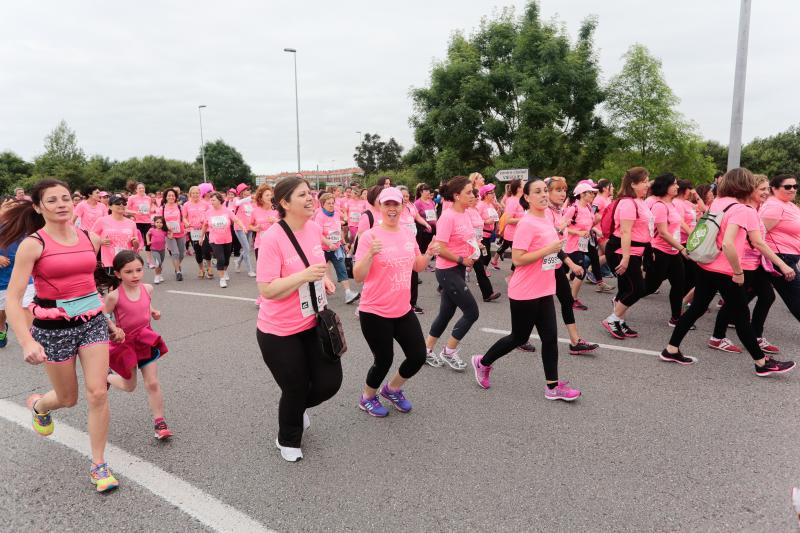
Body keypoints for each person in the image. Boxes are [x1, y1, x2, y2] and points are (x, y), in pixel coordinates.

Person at [0, 178, 119, 492]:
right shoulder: (33, 244)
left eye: (65, 198)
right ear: (39, 207)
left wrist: (112, 318)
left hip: (92, 322)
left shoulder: (87, 236)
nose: (61, 204)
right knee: (68, 398)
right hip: (53, 329)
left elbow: (92, 281)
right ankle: (41, 406)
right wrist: (26, 340)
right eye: (51, 200)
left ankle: (98, 464)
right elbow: (13, 298)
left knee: (98, 393)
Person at [660, 168, 796, 376]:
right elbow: (733, 243)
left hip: (707, 264)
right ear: (746, 185)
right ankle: (761, 363)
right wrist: (739, 271)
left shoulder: (719, 202)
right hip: (725, 269)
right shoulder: (745, 210)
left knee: (697, 308)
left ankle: (671, 349)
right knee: (742, 316)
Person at [256, 176, 342, 462]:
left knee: (330, 382)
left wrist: (325, 279)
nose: (310, 199)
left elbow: (315, 264)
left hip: (312, 322)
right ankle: (287, 439)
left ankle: (295, 408)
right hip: (278, 331)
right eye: (302, 195)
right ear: (284, 203)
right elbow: (267, 289)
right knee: (294, 386)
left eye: (310, 193)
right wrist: (303, 277)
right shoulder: (272, 238)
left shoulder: (314, 227)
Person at [471, 179, 581, 401]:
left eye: (544, 191)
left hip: (544, 287)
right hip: (525, 291)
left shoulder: (547, 217)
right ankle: (482, 362)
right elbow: (519, 259)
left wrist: (568, 263)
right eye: (537, 192)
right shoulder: (527, 223)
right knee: (518, 337)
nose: (543, 195)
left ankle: (552, 387)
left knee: (550, 338)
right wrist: (548, 249)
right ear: (527, 198)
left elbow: (554, 250)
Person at [353, 187, 435, 416]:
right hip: (375, 311)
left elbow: (417, 266)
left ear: (402, 206)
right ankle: (367, 397)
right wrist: (369, 254)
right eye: (387, 204)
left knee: (418, 355)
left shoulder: (408, 234)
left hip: (402, 309)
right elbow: (358, 276)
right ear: (379, 206)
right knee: (384, 359)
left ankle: (392, 389)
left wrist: (429, 253)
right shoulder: (370, 236)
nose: (391, 208)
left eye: (395, 204)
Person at [709, 174, 789, 354]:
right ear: (750, 190)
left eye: (767, 189)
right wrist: (782, 264)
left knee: (766, 296)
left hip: (756, 262)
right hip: (743, 263)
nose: (766, 193)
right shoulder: (744, 209)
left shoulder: (756, 209)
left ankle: (754, 335)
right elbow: (753, 241)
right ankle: (718, 337)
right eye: (762, 189)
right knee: (736, 302)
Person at [104, 251, 172, 440]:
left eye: (139, 270)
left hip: (145, 339)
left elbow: (145, 304)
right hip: (125, 344)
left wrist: (153, 311)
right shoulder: (114, 296)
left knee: (152, 382)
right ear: (118, 274)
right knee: (130, 386)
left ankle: (160, 422)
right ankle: (107, 376)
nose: (135, 275)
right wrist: (114, 330)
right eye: (128, 272)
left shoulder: (148, 288)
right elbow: (103, 316)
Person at [424, 176, 480, 371]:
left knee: (446, 313)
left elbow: (464, 239)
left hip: (458, 269)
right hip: (448, 271)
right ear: (457, 196)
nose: (473, 195)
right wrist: (461, 259)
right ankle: (449, 351)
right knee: (472, 312)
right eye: (469, 192)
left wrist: (474, 249)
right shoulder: (448, 216)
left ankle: (427, 350)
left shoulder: (465, 213)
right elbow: (439, 247)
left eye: (473, 191)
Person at [539, 177, 599, 355]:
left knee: (566, 300)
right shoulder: (546, 213)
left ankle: (575, 341)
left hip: (555, 264)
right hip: (542, 266)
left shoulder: (558, 212)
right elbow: (550, 242)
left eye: (564, 190)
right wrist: (571, 263)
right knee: (535, 307)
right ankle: (520, 337)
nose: (562, 193)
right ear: (547, 193)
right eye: (557, 190)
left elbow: (558, 242)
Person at [601, 167, 653, 340]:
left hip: (635, 251)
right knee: (638, 288)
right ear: (633, 184)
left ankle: (619, 322)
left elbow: (643, 230)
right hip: (621, 251)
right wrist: (625, 257)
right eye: (644, 181)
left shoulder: (639, 201)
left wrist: (647, 250)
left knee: (625, 288)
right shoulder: (627, 203)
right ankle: (613, 319)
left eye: (647, 181)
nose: (648, 184)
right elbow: (625, 232)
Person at [640, 174, 689, 326]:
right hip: (659, 251)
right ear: (665, 186)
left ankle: (676, 317)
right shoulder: (659, 205)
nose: (677, 187)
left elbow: (679, 223)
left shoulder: (672, 204)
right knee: (650, 286)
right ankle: (622, 299)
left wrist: (693, 235)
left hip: (673, 251)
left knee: (679, 284)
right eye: (674, 184)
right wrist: (682, 248)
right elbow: (663, 233)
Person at [760, 173, 800, 322]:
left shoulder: (789, 204)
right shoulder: (773, 206)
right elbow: (759, 235)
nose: (793, 189)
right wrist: (780, 263)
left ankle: (728, 321)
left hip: (788, 256)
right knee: (796, 296)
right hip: (779, 258)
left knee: (757, 294)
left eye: (795, 186)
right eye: (788, 186)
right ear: (774, 189)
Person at [0, 199, 35, 348]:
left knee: (27, 305)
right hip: (2, 274)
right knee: (2, 310)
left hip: (24, 273)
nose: (13, 209)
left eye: (16, 206)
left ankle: (30, 339)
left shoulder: (27, 224)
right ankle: (1, 327)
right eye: (9, 206)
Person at [563, 181, 599, 310]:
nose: (593, 195)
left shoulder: (589, 208)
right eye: (590, 192)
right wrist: (578, 232)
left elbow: (588, 225)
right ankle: (572, 300)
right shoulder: (574, 209)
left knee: (563, 272)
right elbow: (561, 227)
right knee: (580, 271)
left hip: (582, 245)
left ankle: (568, 297)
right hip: (571, 245)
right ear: (582, 194)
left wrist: (594, 231)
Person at [91, 194, 141, 275]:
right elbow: (91, 235)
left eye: (124, 203)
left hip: (127, 261)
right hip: (110, 261)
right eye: (117, 203)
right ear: (110, 207)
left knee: (126, 286)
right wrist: (100, 241)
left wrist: (135, 243)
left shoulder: (131, 223)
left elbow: (136, 245)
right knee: (113, 286)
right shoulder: (102, 221)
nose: (121, 205)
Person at [467, 187, 501, 302]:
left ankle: (488, 294)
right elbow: (467, 229)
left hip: (478, 242)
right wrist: (476, 242)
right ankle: (444, 287)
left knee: (480, 268)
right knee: (458, 268)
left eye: (477, 196)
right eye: (474, 196)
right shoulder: (465, 211)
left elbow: (479, 224)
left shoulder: (476, 210)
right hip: (468, 244)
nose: (477, 198)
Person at [201, 192, 240, 288]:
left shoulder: (226, 211)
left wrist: (243, 227)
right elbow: (205, 225)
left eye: (213, 200)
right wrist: (201, 237)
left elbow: (236, 219)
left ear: (219, 200)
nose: (211, 202)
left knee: (226, 259)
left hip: (227, 239)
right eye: (211, 200)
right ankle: (222, 279)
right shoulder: (208, 212)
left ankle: (225, 271)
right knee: (221, 259)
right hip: (214, 239)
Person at [490, 179, 524, 270]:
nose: (526, 185)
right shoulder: (513, 201)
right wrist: (525, 219)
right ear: (518, 188)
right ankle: (513, 279)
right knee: (518, 260)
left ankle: (495, 260)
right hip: (513, 235)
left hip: (519, 234)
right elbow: (508, 220)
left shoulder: (522, 200)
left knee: (507, 248)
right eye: (524, 184)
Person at [183, 185, 212, 278]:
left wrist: (205, 221)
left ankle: (209, 267)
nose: (195, 195)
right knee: (198, 251)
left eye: (197, 193)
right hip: (193, 231)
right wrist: (186, 223)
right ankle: (201, 269)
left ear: (200, 194)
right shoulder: (186, 205)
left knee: (206, 249)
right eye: (193, 193)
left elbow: (210, 215)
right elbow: (183, 217)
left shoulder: (205, 204)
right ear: (190, 194)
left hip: (205, 230)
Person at [127, 183, 155, 268]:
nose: (142, 189)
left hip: (147, 222)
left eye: (143, 188)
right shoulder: (132, 198)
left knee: (148, 242)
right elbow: (126, 209)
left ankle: (149, 262)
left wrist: (151, 212)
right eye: (140, 188)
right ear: (136, 190)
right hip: (136, 222)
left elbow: (150, 209)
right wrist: (135, 212)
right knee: (136, 242)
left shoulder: (148, 198)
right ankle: (135, 261)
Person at [160, 188, 186, 281]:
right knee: (175, 253)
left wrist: (187, 224)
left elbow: (184, 218)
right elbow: (159, 222)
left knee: (182, 254)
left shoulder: (180, 207)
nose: (171, 197)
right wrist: (166, 231)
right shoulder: (162, 208)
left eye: (173, 195)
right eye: (169, 195)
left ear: (175, 197)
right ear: (166, 197)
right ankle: (178, 272)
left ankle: (177, 266)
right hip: (169, 234)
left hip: (180, 232)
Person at [232, 183, 256, 277]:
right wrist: (250, 198)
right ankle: (250, 270)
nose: (248, 192)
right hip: (239, 228)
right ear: (241, 192)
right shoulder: (236, 199)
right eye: (246, 190)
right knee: (246, 248)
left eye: (248, 190)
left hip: (249, 228)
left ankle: (237, 261)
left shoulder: (250, 202)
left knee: (247, 249)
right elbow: (237, 203)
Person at [147, 217, 168, 284]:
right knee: (158, 263)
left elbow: (170, 237)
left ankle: (160, 274)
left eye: (161, 222)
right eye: (157, 222)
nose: (159, 224)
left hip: (162, 249)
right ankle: (156, 276)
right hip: (154, 249)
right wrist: (148, 241)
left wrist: (171, 232)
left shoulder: (164, 231)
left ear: (163, 223)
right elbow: (147, 234)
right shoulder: (152, 230)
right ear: (154, 223)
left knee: (160, 264)